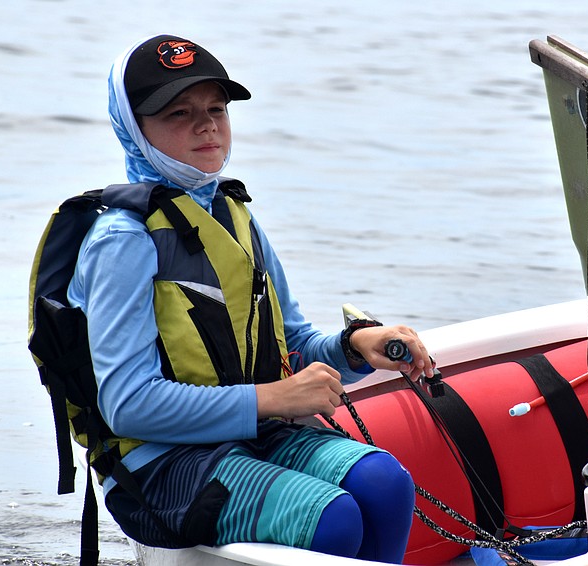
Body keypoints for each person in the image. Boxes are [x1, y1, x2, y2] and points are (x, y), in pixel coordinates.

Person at [66, 34, 433, 563]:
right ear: (133, 129)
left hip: (251, 433)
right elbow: (127, 406)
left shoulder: (235, 215)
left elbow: (295, 344)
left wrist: (355, 347)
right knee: (332, 516)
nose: (206, 124)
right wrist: (270, 400)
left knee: (384, 482)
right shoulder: (122, 242)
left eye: (217, 108)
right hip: (159, 465)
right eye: (178, 112)